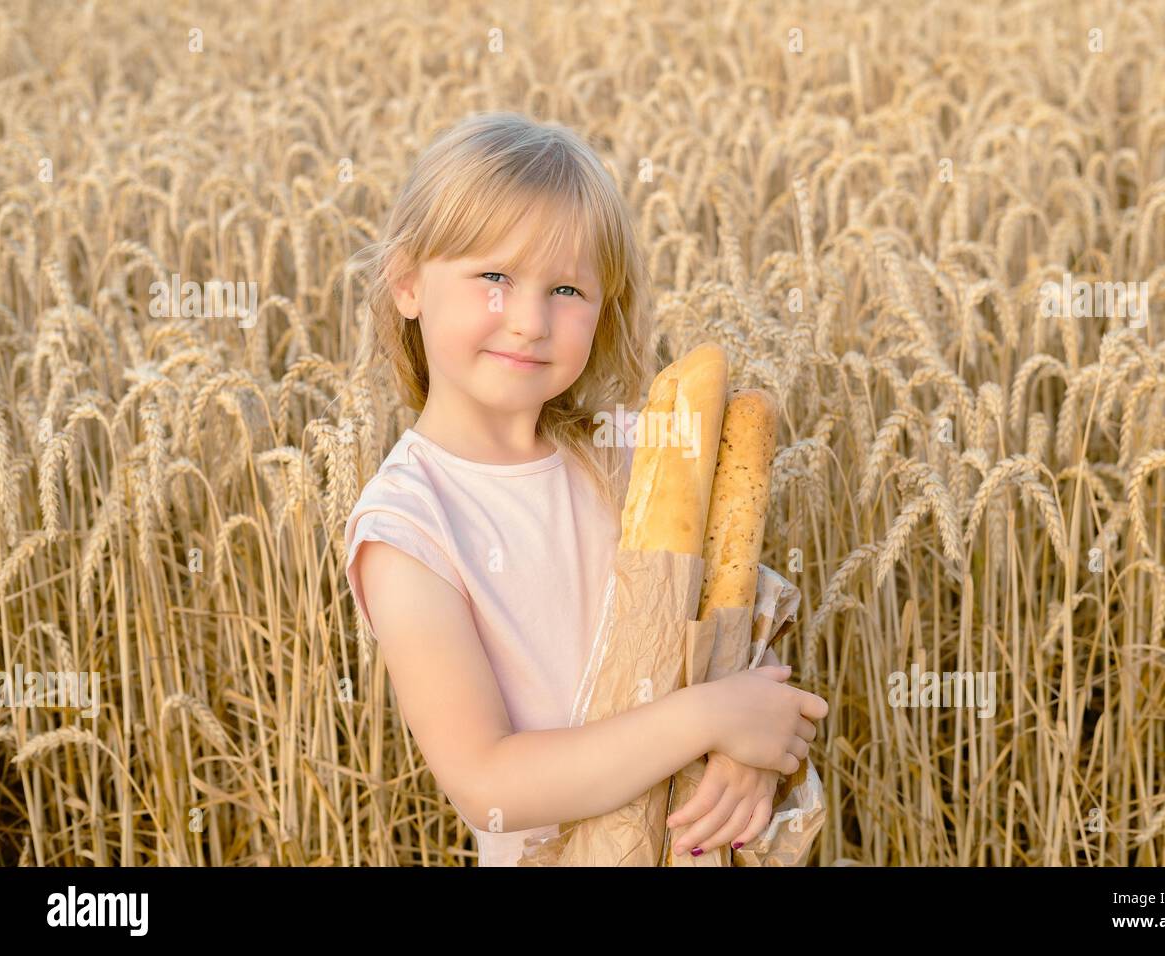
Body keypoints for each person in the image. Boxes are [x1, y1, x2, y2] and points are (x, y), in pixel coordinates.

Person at [343, 111, 827, 865]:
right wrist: (709, 721)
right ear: (408, 282)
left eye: (567, 288)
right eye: (494, 278)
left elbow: (734, 640)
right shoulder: (409, 526)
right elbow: (487, 780)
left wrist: (747, 757)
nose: (530, 321)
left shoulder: (639, 456)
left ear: (605, 307)